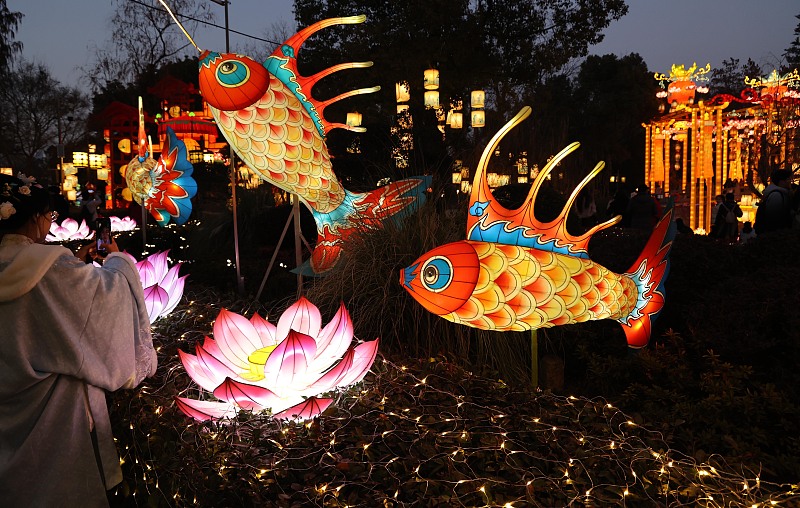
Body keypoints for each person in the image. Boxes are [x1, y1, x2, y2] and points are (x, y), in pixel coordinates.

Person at [0, 173, 156, 507]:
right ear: (35, 218)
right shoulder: (50, 267)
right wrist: (118, 261)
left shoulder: (41, 266)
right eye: (50, 216)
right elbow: (105, 304)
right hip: (51, 414)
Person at [754, 169, 793, 235]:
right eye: (788, 179)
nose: (790, 182)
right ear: (781, 181)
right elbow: (773, 217)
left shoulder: (781, 193)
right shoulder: (776, 195)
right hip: (775, 234)